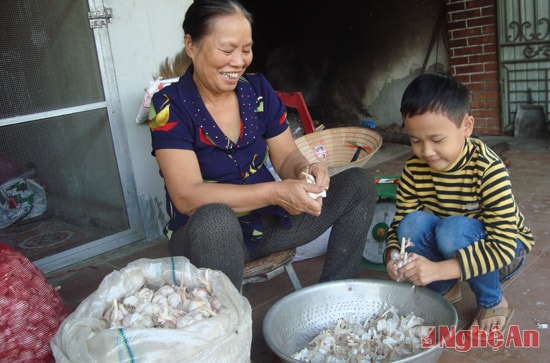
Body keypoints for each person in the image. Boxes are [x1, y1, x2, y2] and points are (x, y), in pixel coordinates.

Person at [147, 0, 377, 289]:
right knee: (215, 220)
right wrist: (275, 192)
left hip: (269, 226)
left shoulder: (256, 90)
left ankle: (338, 295)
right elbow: (187, 197)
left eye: (246, 50)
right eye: (227, 50)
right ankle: (230, 325)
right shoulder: (170, 106)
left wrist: (305, 170)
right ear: (191, 45)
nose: (239, 61)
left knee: (359, 184)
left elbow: (285, 157)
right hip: (207, 237)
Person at [384, 73, 534, 333]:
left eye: (437, 140)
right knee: (412, 222)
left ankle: (493, 301)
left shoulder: (488, 169)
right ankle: (446, 287)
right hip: (455, 242)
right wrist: (393, 254)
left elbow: (504, 246)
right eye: (415, 141)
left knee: (452, 230)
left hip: (506, 251)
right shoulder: (413, 169)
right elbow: (400, 222)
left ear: (467, 126)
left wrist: (436, 269)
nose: (426, 152)